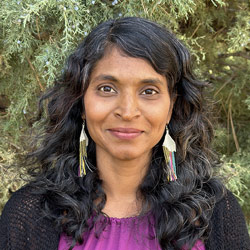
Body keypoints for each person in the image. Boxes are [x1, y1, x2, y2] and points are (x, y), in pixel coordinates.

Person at [0, 17, 249, 250]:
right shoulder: (31, 214)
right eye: (107, 88)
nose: (128, 111)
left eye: (149, 91)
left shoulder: (214, 213)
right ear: (81, 102)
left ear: (171, 106)